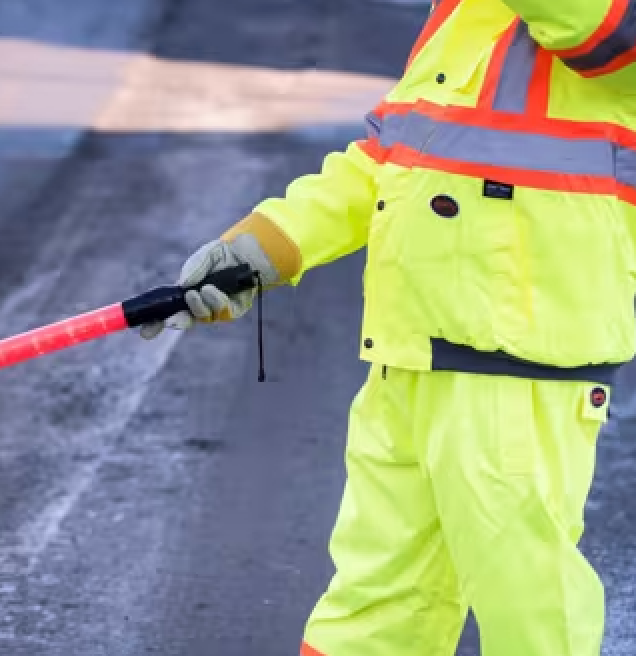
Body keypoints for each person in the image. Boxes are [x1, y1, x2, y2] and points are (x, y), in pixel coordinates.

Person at [140, 0, 636, 654]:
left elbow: (605, 31)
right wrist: (264, 249)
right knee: (377, 606)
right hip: (409, 355)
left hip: (516, 367)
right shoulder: (466, 16)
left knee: (528, 604)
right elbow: (389, 159)